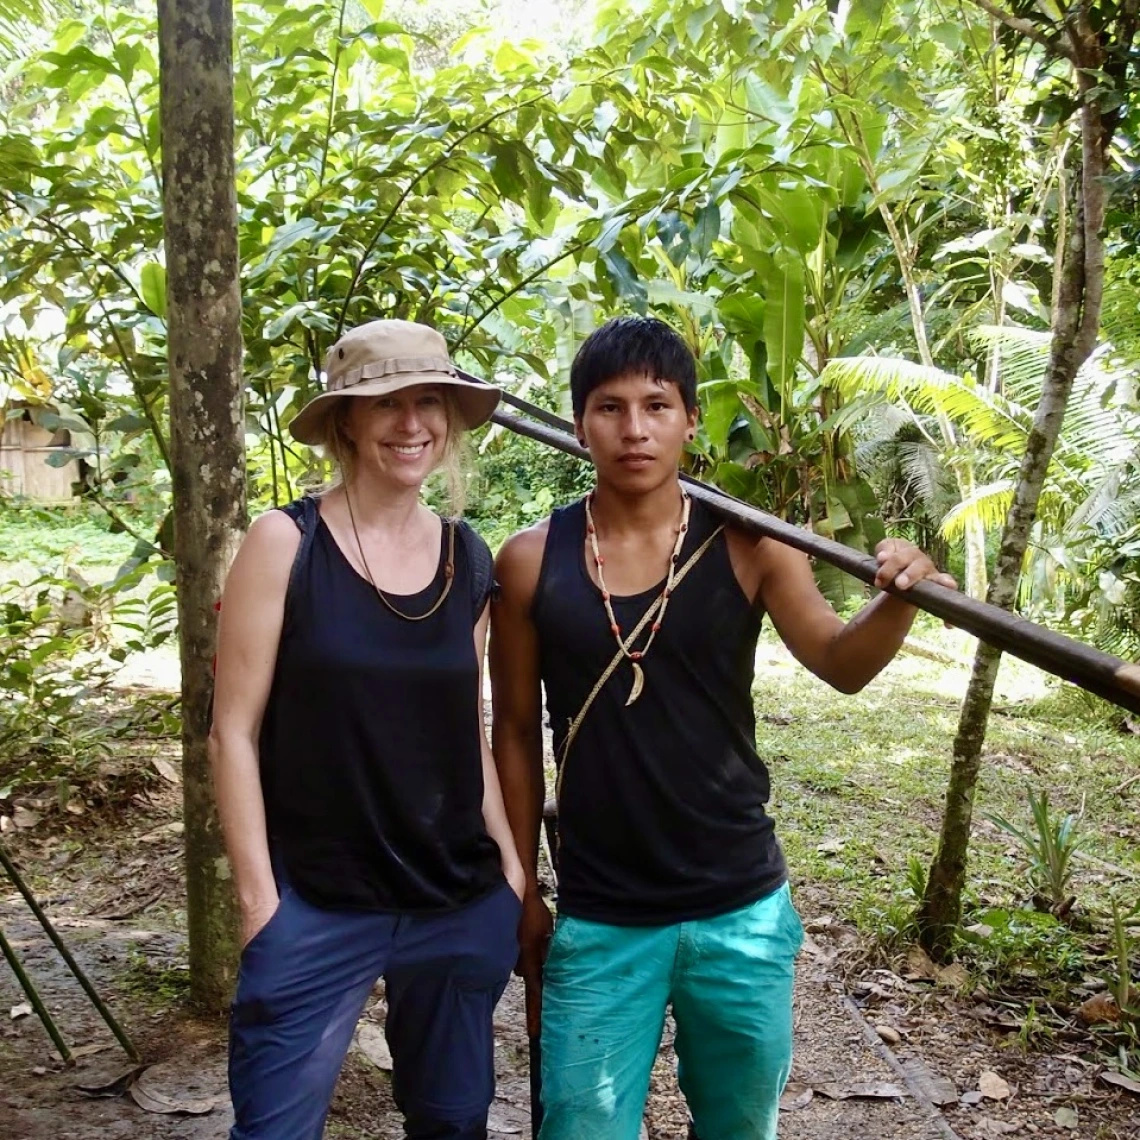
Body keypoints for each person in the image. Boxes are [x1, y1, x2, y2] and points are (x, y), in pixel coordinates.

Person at [490, 316, 958, 1140]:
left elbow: (841, 664)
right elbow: (518, 734)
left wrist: (899, 598)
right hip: (601, 913)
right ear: (577, 423)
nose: (634, 429)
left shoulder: (753, 543)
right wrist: (524, 887)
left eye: (657, 405)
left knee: (740, 1126)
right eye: (609, 407)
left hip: (739, 907)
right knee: (578, 1125)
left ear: (689, 420)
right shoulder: (530, 559)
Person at [210, 318, 526, 1140]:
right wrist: (258, 904)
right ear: (345, 420)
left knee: (452, 1122)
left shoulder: (468, 555)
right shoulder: (286, 543)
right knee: (275, 1129)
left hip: (456, 898)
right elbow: (232, 733)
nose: (411, 423)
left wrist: (512, 876)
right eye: (385, 402)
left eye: (430, 401)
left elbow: (467, 724)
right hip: (316, 900)